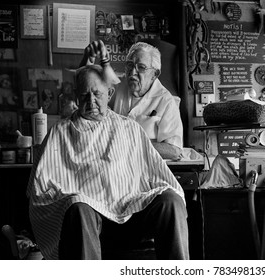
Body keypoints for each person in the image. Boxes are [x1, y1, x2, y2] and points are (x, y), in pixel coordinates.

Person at [27, 55, 189, 260]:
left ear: (110, 93)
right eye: (85, 95)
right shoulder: (59, 132)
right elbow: (40, 190)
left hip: (131, 212)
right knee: (79, 207)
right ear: (76, 97)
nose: (91, 102)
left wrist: (161, 193)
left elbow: (159, 175)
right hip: (90, 222)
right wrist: (74, 198)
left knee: (171, 200)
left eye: (97, 94)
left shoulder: (129, 127)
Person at [80, 40, 183, 160]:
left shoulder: (166, 101)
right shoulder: (118, 85)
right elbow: (86, 84)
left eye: (141, 67)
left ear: (155, 74)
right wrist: (89, 58)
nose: (133, 72)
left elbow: (174, 150)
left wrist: (129, 144)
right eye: (130, 65)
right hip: (114, 163)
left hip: (145, 169)